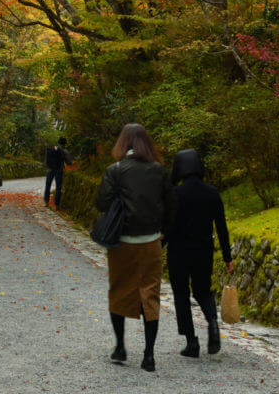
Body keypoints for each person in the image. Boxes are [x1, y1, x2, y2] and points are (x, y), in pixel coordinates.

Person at [95, 123, 176, 374]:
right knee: (150, 294)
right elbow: (172, 206)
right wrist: (164, 235)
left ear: (123, 143)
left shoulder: (115, 171)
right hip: (151, 241)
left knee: (119, 290)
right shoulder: (159, 171)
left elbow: (101, 203)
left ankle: (120, 346)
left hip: (122, 242)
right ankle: (149, 355)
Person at [165, 148, 234, 358]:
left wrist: (155, 249)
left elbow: (166, 227)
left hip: (178, 252)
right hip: (203, 251)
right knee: (203, 291)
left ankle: (191, 342)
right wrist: (227, 257)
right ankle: (212, 323)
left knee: (181, 295)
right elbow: (221, 227)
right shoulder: (212, 193)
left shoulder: (174, 194)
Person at [44, 136, 72, 209]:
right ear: (64, 144)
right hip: (59, 171)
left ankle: (46, 202)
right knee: (58, 187)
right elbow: (69, 162)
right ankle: (57, 205)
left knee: (48, 185)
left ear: (58, 142)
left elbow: (46, 160)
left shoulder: (52, 149)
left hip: (50, 170)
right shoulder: (64, 151)